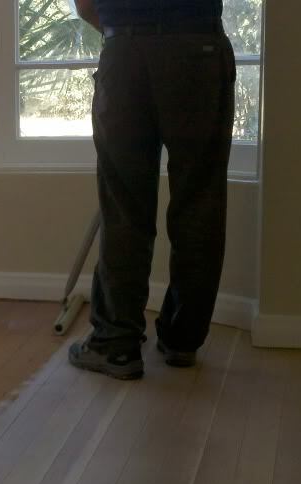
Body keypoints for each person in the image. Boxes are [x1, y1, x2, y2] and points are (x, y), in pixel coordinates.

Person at [68, 0, 236, 380]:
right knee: (199, 201)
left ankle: (115, 343)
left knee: (125, 205)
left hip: (125, 54)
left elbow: (85, 5)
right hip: (198, 51)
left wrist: (133, 38)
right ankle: (182, 339)